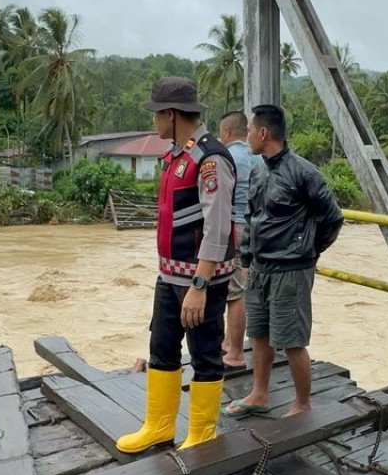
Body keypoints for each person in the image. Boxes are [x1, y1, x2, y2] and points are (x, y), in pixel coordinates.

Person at [115, 77, 237, 454]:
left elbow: (217, 227)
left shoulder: (209, 159)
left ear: (170, 115)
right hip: (168, 275)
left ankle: (201, 434)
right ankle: (159, 425)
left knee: (205, 354)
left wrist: (199, 287)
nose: (154, 123)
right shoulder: (175, 156)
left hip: (201, 281)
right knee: (162, 347)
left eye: (156, 115)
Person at [222, 104, 343, 419]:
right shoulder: (259, 169)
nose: (247, 136)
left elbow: (332, 218)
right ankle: (259, 394)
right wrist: (247, 258)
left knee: (291, 340)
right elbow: (251, 217)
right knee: (259, 334)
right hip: (260, 269)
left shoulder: (303, 172)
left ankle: (302, 404)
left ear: (263, 133)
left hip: (291, 271)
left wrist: (308, 252)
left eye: (249, 130)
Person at [218, 110, 264, 369]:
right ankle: (229, 341)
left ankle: (235, 353)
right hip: (257, 228)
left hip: (234, 227)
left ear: (226, 133)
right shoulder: (257, 158)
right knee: (247, 286)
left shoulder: (226, 157)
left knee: (235, 293)